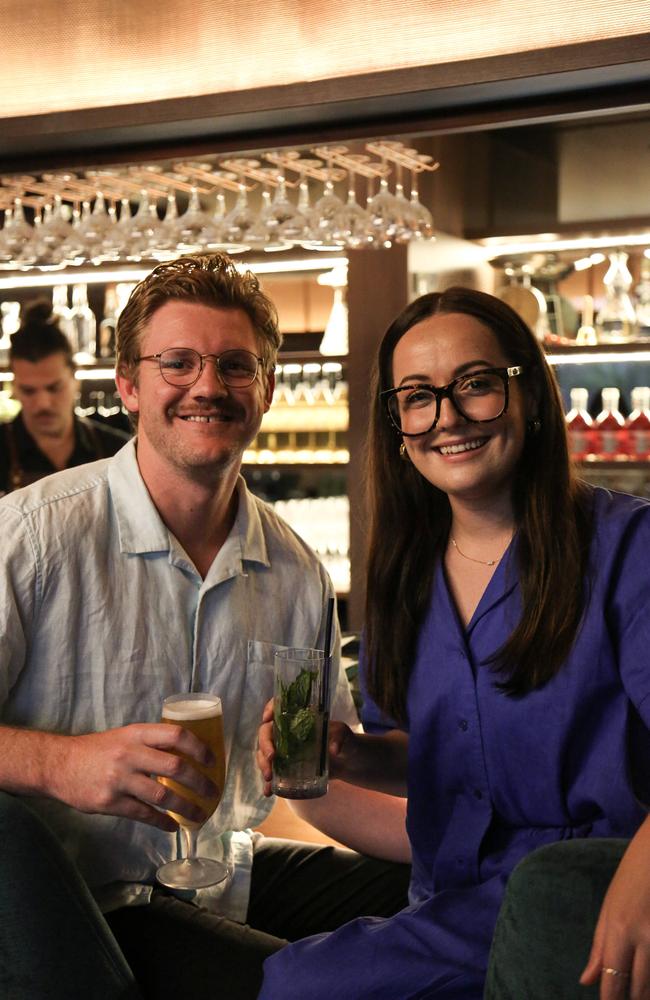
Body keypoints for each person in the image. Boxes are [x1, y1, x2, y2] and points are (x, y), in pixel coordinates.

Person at [0, 252, 410, 1000]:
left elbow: (309, 782)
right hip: (72, 909)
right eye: (177, 362)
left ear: (269, 388)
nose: (209, 387)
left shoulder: (293, 570)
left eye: (235, 365)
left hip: (226, 876)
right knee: (319, 987)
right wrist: (67, 765)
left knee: (437, 917)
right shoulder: (33, 536)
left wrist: (476, 849)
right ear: (128, 385)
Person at [257, 286, 650, 999]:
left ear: (528, 395)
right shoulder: (406, 575)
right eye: (418, 397)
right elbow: (451, 761)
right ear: (398, 428)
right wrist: (352, 755)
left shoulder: (628, 547)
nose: (448, 418)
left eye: (475, 385)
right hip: (450, 902)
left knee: (300, 987)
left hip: (579, 905)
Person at [0, 299, 129, 494]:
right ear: (14, 387)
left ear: (75, 379)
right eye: (29, 391)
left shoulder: (118, 451)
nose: (43, 403)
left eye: (54, 388)